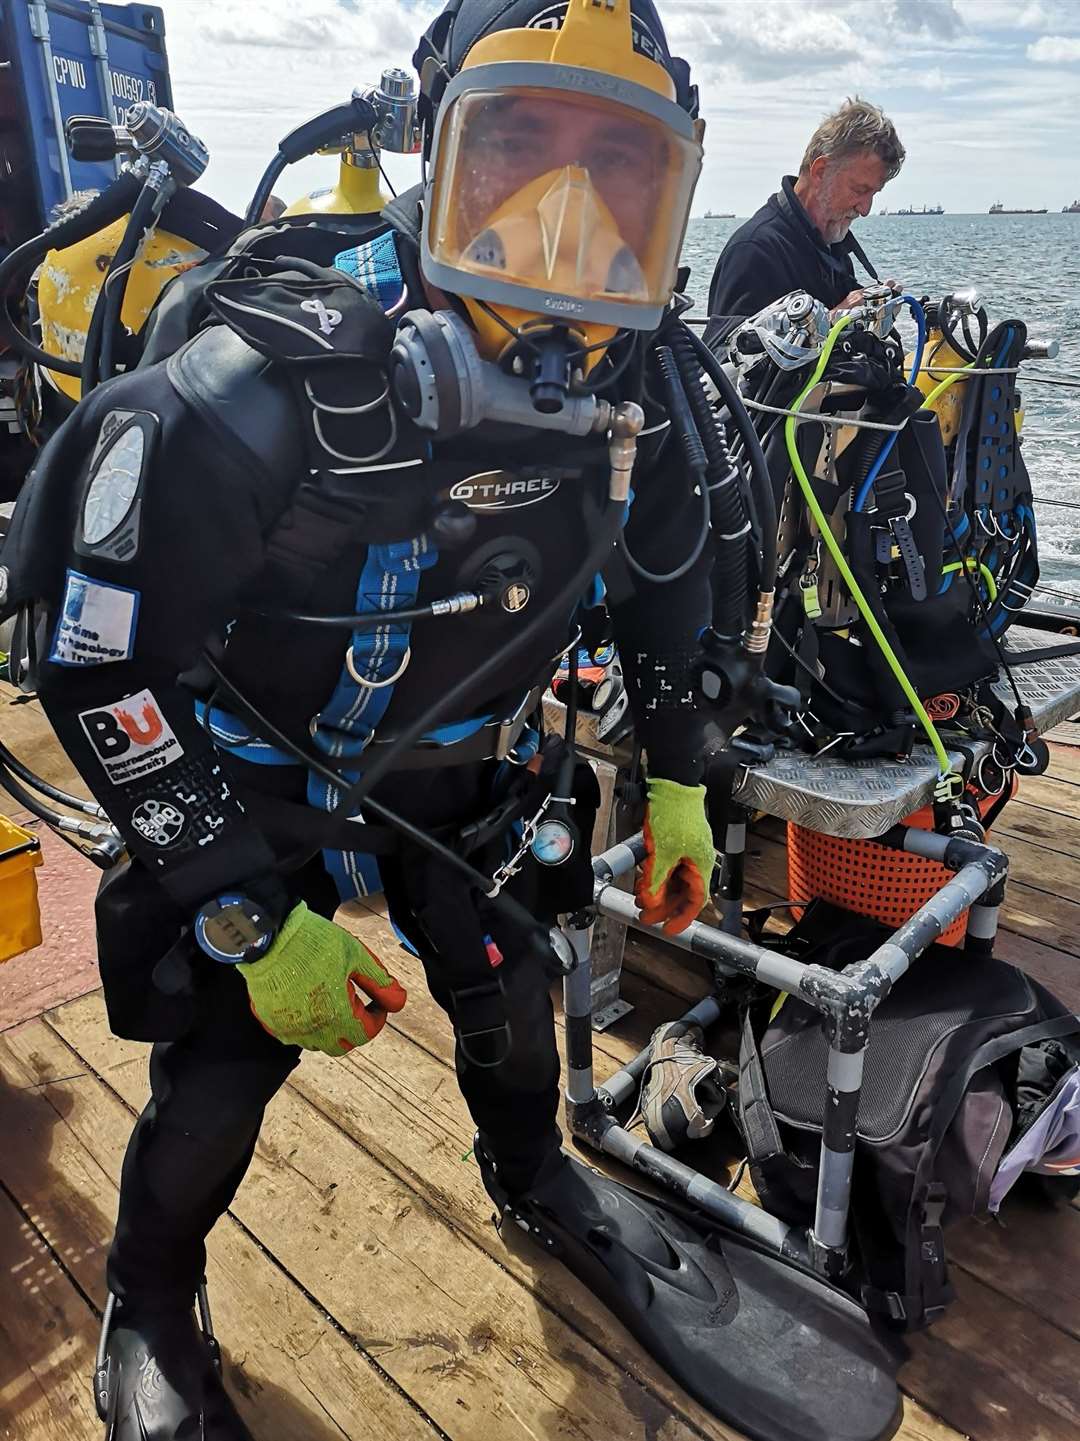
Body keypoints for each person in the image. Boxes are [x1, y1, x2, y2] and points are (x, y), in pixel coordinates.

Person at [8, 1, 722, 1434]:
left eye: (618, 169)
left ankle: (534, 1178)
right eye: (519, 147)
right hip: (265, 779)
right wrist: (246, 912)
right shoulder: (263, 384)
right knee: (220, 1070)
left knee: (513, 998)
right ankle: (151, 1301)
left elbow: (674, 580)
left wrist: (683, 775)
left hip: (472, 775)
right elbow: (90, 658)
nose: (565, 220)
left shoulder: (645, 382)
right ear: (431, 138)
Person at [706, 96, 905, 330]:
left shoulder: (832, 246)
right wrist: (836, 320)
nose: (865, 209)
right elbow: (727, 361)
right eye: (860, 190)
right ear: (820, 171)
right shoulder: (754, 251)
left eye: (874, 193)